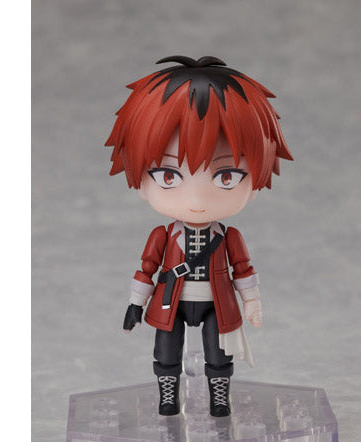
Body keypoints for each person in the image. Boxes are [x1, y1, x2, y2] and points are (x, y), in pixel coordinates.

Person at [105, 55, 293, 417]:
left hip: (216, 301)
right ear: (140, 179)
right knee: (166, 352)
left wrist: (252, 300)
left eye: (226, 176)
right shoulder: (162, 234)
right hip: (169, 300)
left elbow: (243, 268)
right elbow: (147, 268)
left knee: (219, 353)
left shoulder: (229, 235)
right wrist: (135, 304)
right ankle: (168, 396)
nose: (196, 201)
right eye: (168, 175)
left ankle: (219, 397)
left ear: (255, 181)